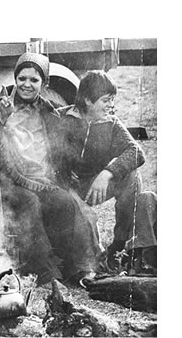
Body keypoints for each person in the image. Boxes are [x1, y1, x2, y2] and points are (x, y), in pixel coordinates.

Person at [0, 52, 103, 286]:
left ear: (44, 83)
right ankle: (45, 272)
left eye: (34, 80)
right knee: (29, 202)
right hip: (2, 181)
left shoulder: (49, 111)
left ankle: (71, 268)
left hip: (40, 179)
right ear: (15, 79)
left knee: (64, 202)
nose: (26, 85)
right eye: (22, 78)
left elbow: (63, 143)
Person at [59, 70, 156, 274]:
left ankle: (119, 246)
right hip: (64, 189)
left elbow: (137, 152)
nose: (111, 105)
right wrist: (74, 198)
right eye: (105, 100)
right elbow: (51, 165)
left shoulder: (110, 123)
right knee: (87, 220)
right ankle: (93, 261)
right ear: (87, 100)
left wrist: (107, 173)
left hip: (94, 185)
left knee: (131, 176)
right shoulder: (62, 119)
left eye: (112, 100)